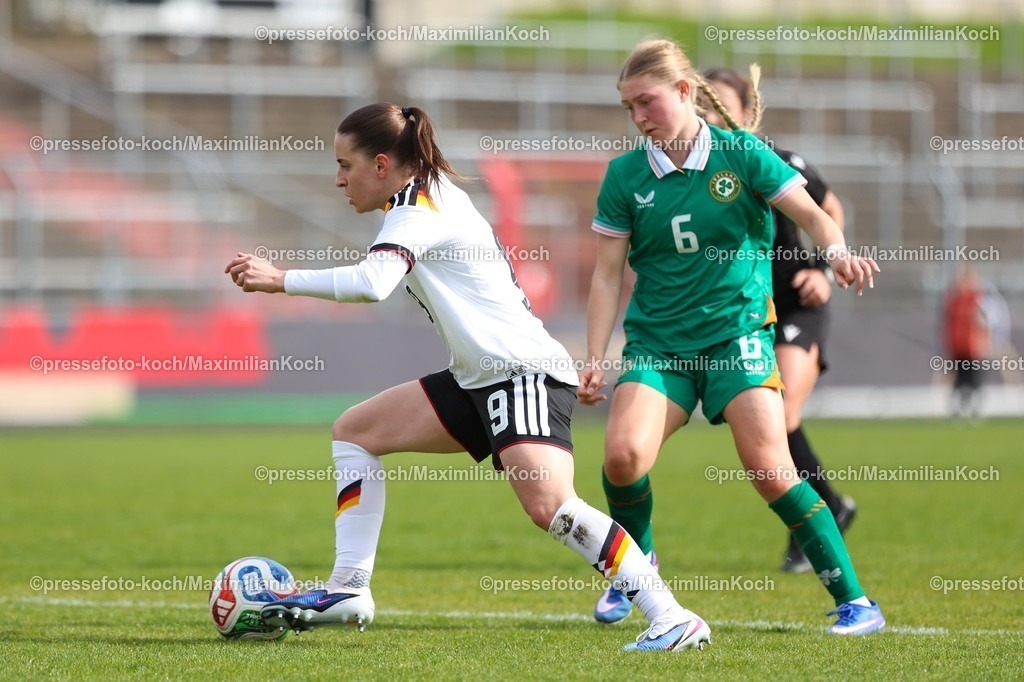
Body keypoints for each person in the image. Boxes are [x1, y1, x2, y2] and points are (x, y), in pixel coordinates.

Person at [224, 103, 712, 652]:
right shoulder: (420, 200)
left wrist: (279, 279)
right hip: (479, 378)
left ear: (382, 164)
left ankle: (672, 617)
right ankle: (348, 587)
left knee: (551, 507)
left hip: (518, 373)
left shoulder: (420, 209)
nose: (338, 179)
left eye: (345, 165)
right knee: (355, 432)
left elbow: (372, 283)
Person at [578, 38, 885, 635]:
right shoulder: (624, 175)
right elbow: (607, 275)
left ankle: (855, 602)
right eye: (628, 107)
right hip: (659, 344)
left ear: (686, 92)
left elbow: (815, 214)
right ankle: (637, 572)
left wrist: (838, 254)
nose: (639, 118)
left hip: (735, 335)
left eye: (648, 102)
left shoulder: (743, 154)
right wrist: (596, 358)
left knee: (772, 470)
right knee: (621, 458)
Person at [700, 67, 857, 574]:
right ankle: (827, 506)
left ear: (748, 113)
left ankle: (815, 518)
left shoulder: (780, 163)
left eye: (721, 105)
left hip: (795, 305)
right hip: (743, 314)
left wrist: (826, 272)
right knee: (767, 429)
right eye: (703, 104)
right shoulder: (695, 178)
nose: (710, 115)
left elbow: (828, 210)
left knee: (782, 406)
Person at [943, 264, 992, 418]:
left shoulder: (977, 298)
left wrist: (984, 342)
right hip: (958, 347)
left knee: (974, 379)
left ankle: (975, 409)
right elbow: (949, 323)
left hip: (973, 347)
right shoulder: (954, 299)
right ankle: (958, 409)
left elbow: (985, 321)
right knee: (959, 379)